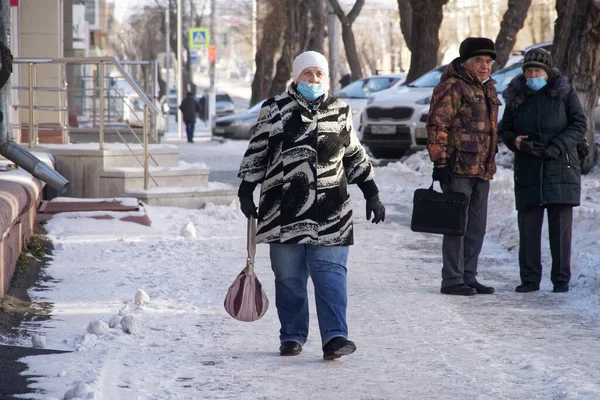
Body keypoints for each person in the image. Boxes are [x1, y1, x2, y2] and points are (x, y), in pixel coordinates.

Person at [237, 50, 386, 360]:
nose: (314, 80)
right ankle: (291, 335)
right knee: (289, 279)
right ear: (296, 77)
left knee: (331, 275)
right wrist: (246, 189)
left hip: (331, 212)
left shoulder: (340, 110)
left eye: (319, 74)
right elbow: (258, 151)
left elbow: (354, 156)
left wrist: (371, 193)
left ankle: (335, 337)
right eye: (308, 74)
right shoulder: (275, 109)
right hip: (282, 213)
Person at [498, 48, 586, 293]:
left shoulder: (564, 93)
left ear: (547, 73)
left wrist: (558, 146)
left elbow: (579, 123)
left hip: (560, 166)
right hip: (528, 167)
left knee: (560, 229)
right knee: (528, 228)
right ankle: (529, 279)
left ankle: (560, 280)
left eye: (537, 70)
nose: (532, 75)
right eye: (528, 71)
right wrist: (518, 142)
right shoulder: (516, 96)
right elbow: (505, 129)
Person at [426, 37, 501, 296]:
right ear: (466, 62)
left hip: (482, 169)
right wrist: (440, 160)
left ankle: (469, 276)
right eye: (479, 60)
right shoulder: (452, 87)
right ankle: (452, 279)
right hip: (457, 168)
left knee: (477, 227)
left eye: (489, 62)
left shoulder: (488, 88)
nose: (485, 66)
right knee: (456, 225)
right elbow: (438, 125)